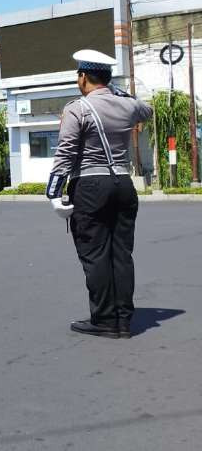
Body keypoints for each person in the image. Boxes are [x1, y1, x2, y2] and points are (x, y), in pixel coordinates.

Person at [47, 50, 153, 339]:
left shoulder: (77, 109)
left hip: (91, 187)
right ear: (107, 78)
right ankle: (123, 319)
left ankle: (105, 320)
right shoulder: (126, 106)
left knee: (95, 255)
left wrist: (53, 192)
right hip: (123, 184)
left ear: (83, 77)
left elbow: (66, 152)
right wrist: (115, 90)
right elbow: (147, 109)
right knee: (121, 254)